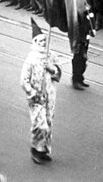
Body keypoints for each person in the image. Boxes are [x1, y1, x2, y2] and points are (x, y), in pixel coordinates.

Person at [20, 18, 61, 165]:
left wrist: (52, 69)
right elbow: (23, 81)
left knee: (48, 123)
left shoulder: (50, 56)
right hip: (37, 98)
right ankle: (35, 150)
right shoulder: (31, 59)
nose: (43, 43)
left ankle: (44, 150)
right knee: (40, 125)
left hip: (49, 95)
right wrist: (33, 93)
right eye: (40, 41)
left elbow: (58, 73)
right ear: (35, 43)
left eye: (45, 41)